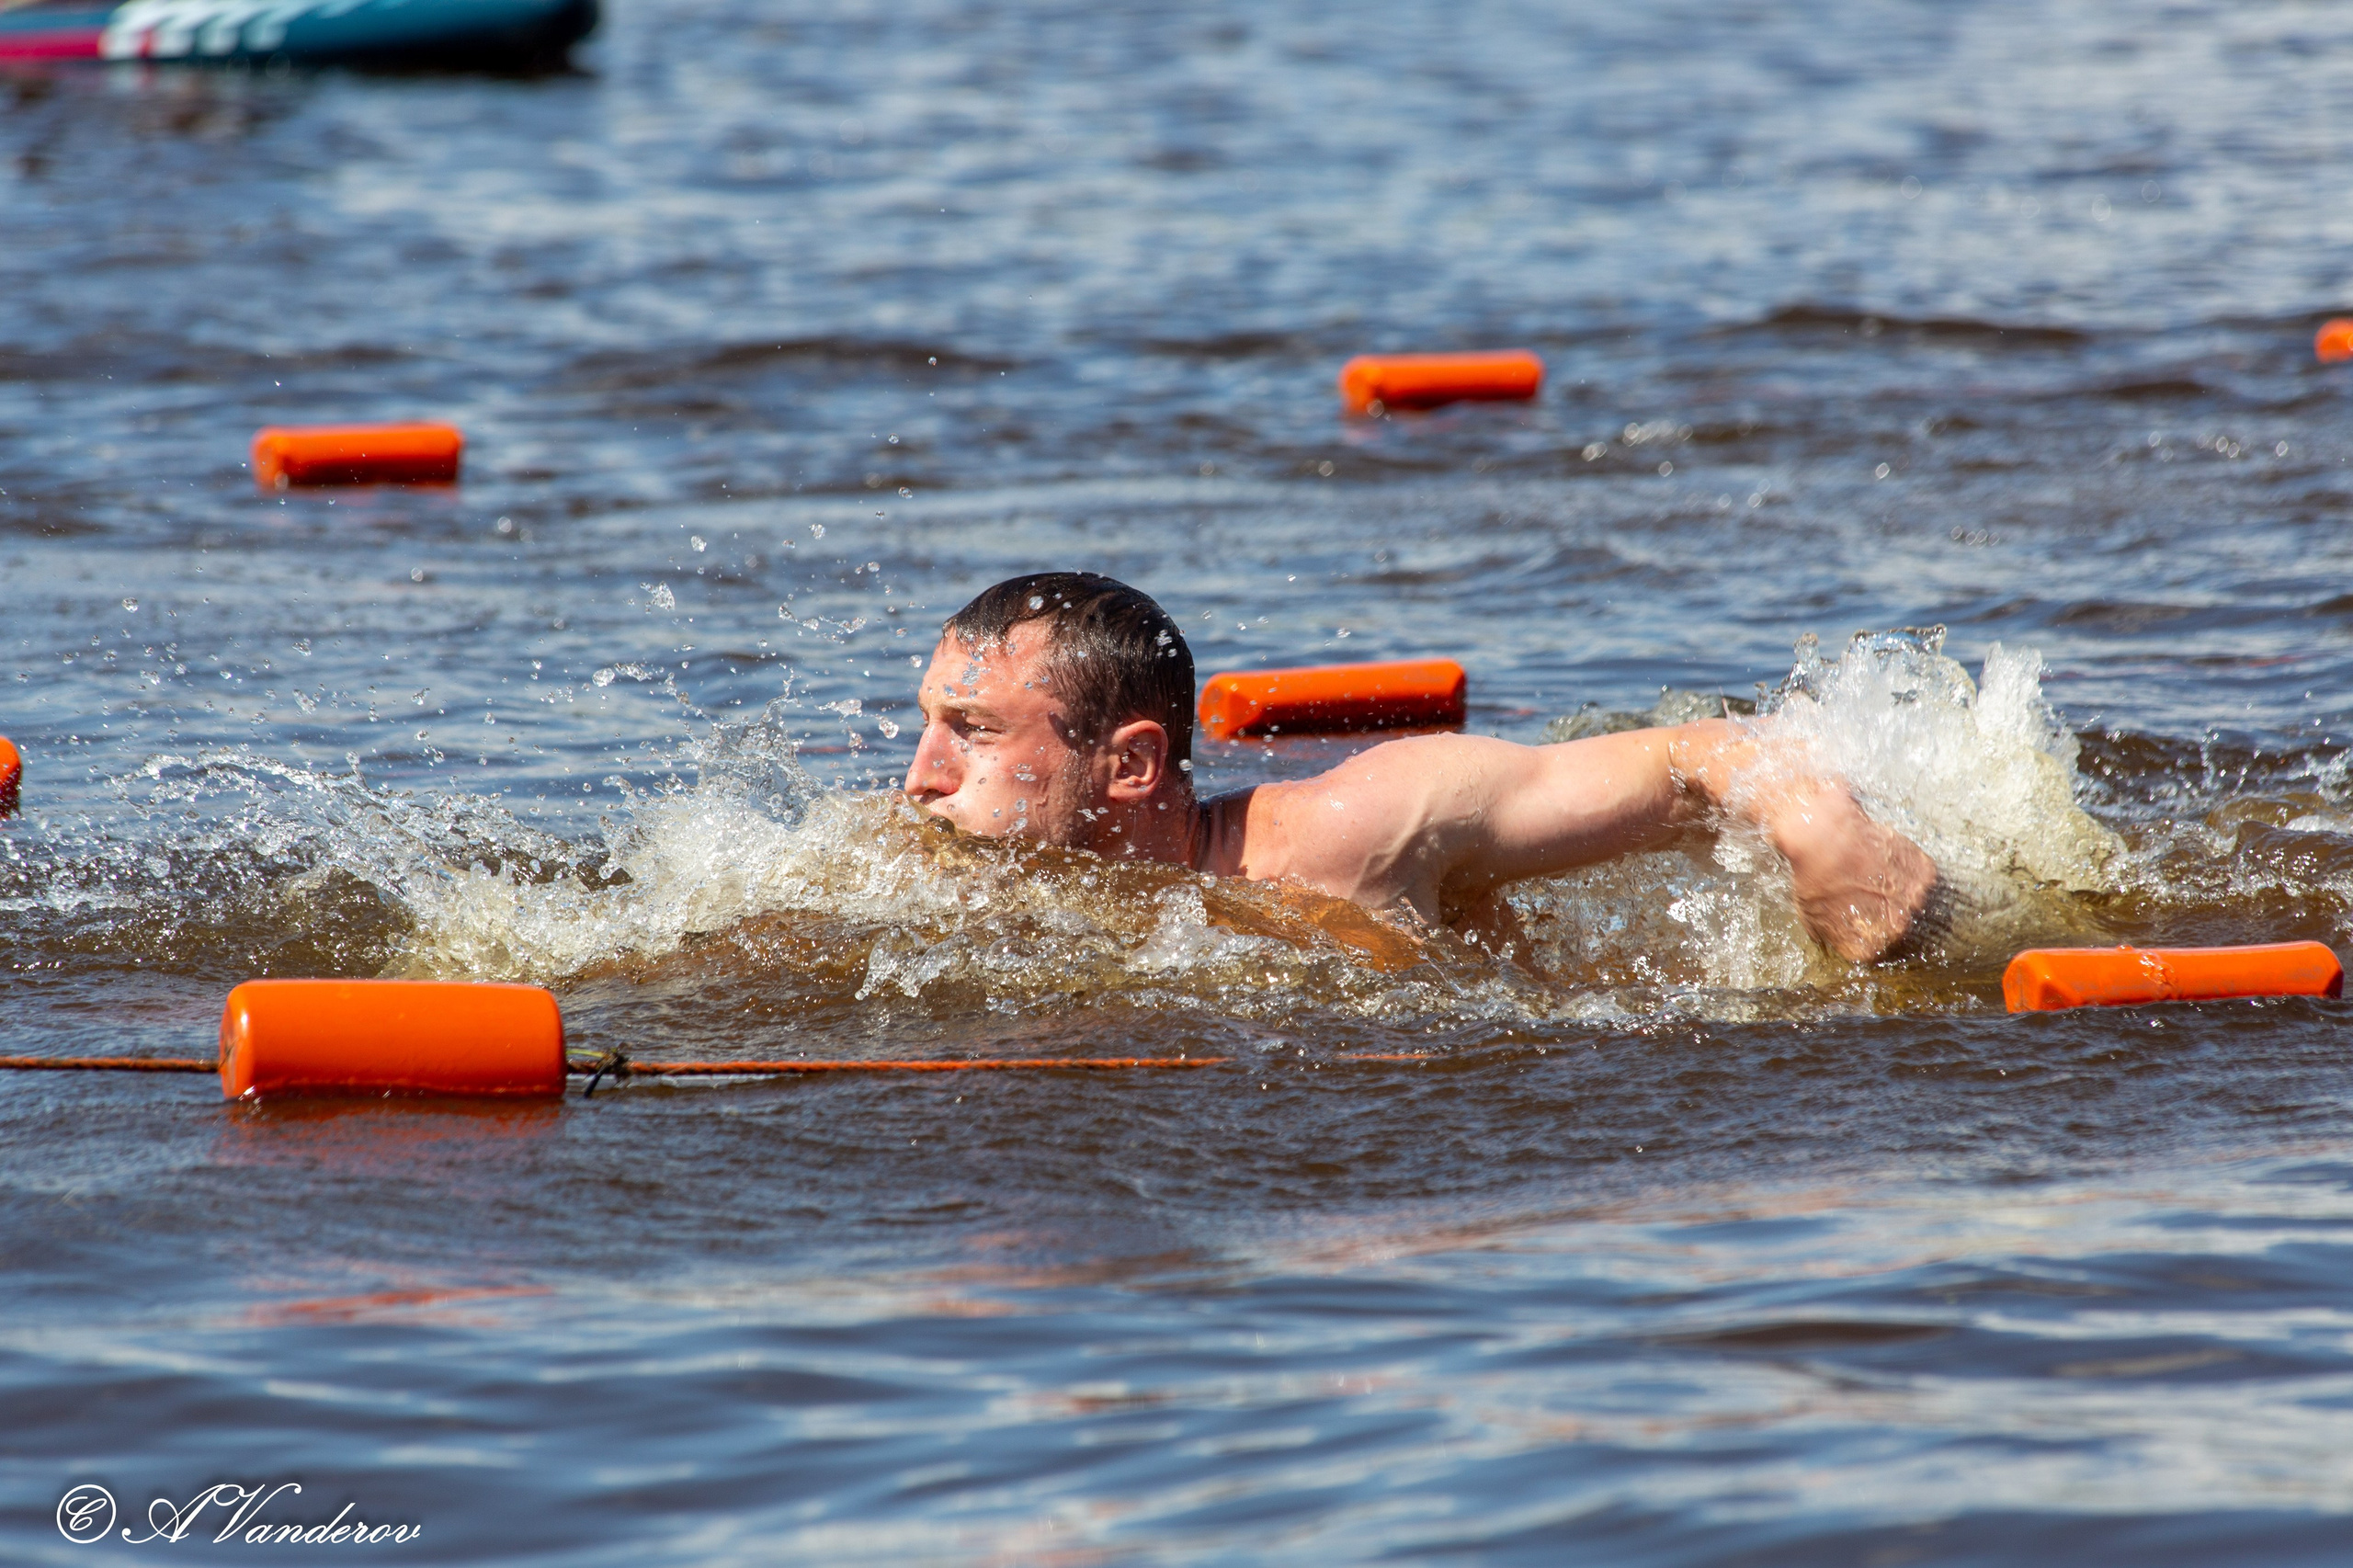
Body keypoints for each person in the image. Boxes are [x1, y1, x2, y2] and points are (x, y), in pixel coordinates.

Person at [902, 572, 1938, 962]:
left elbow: (1697, 755)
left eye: (972, 730)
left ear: (1130, 764)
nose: (922, 776)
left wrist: (1822, 832)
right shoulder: (956, 881)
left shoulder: (1358, 830)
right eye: (925, 725)